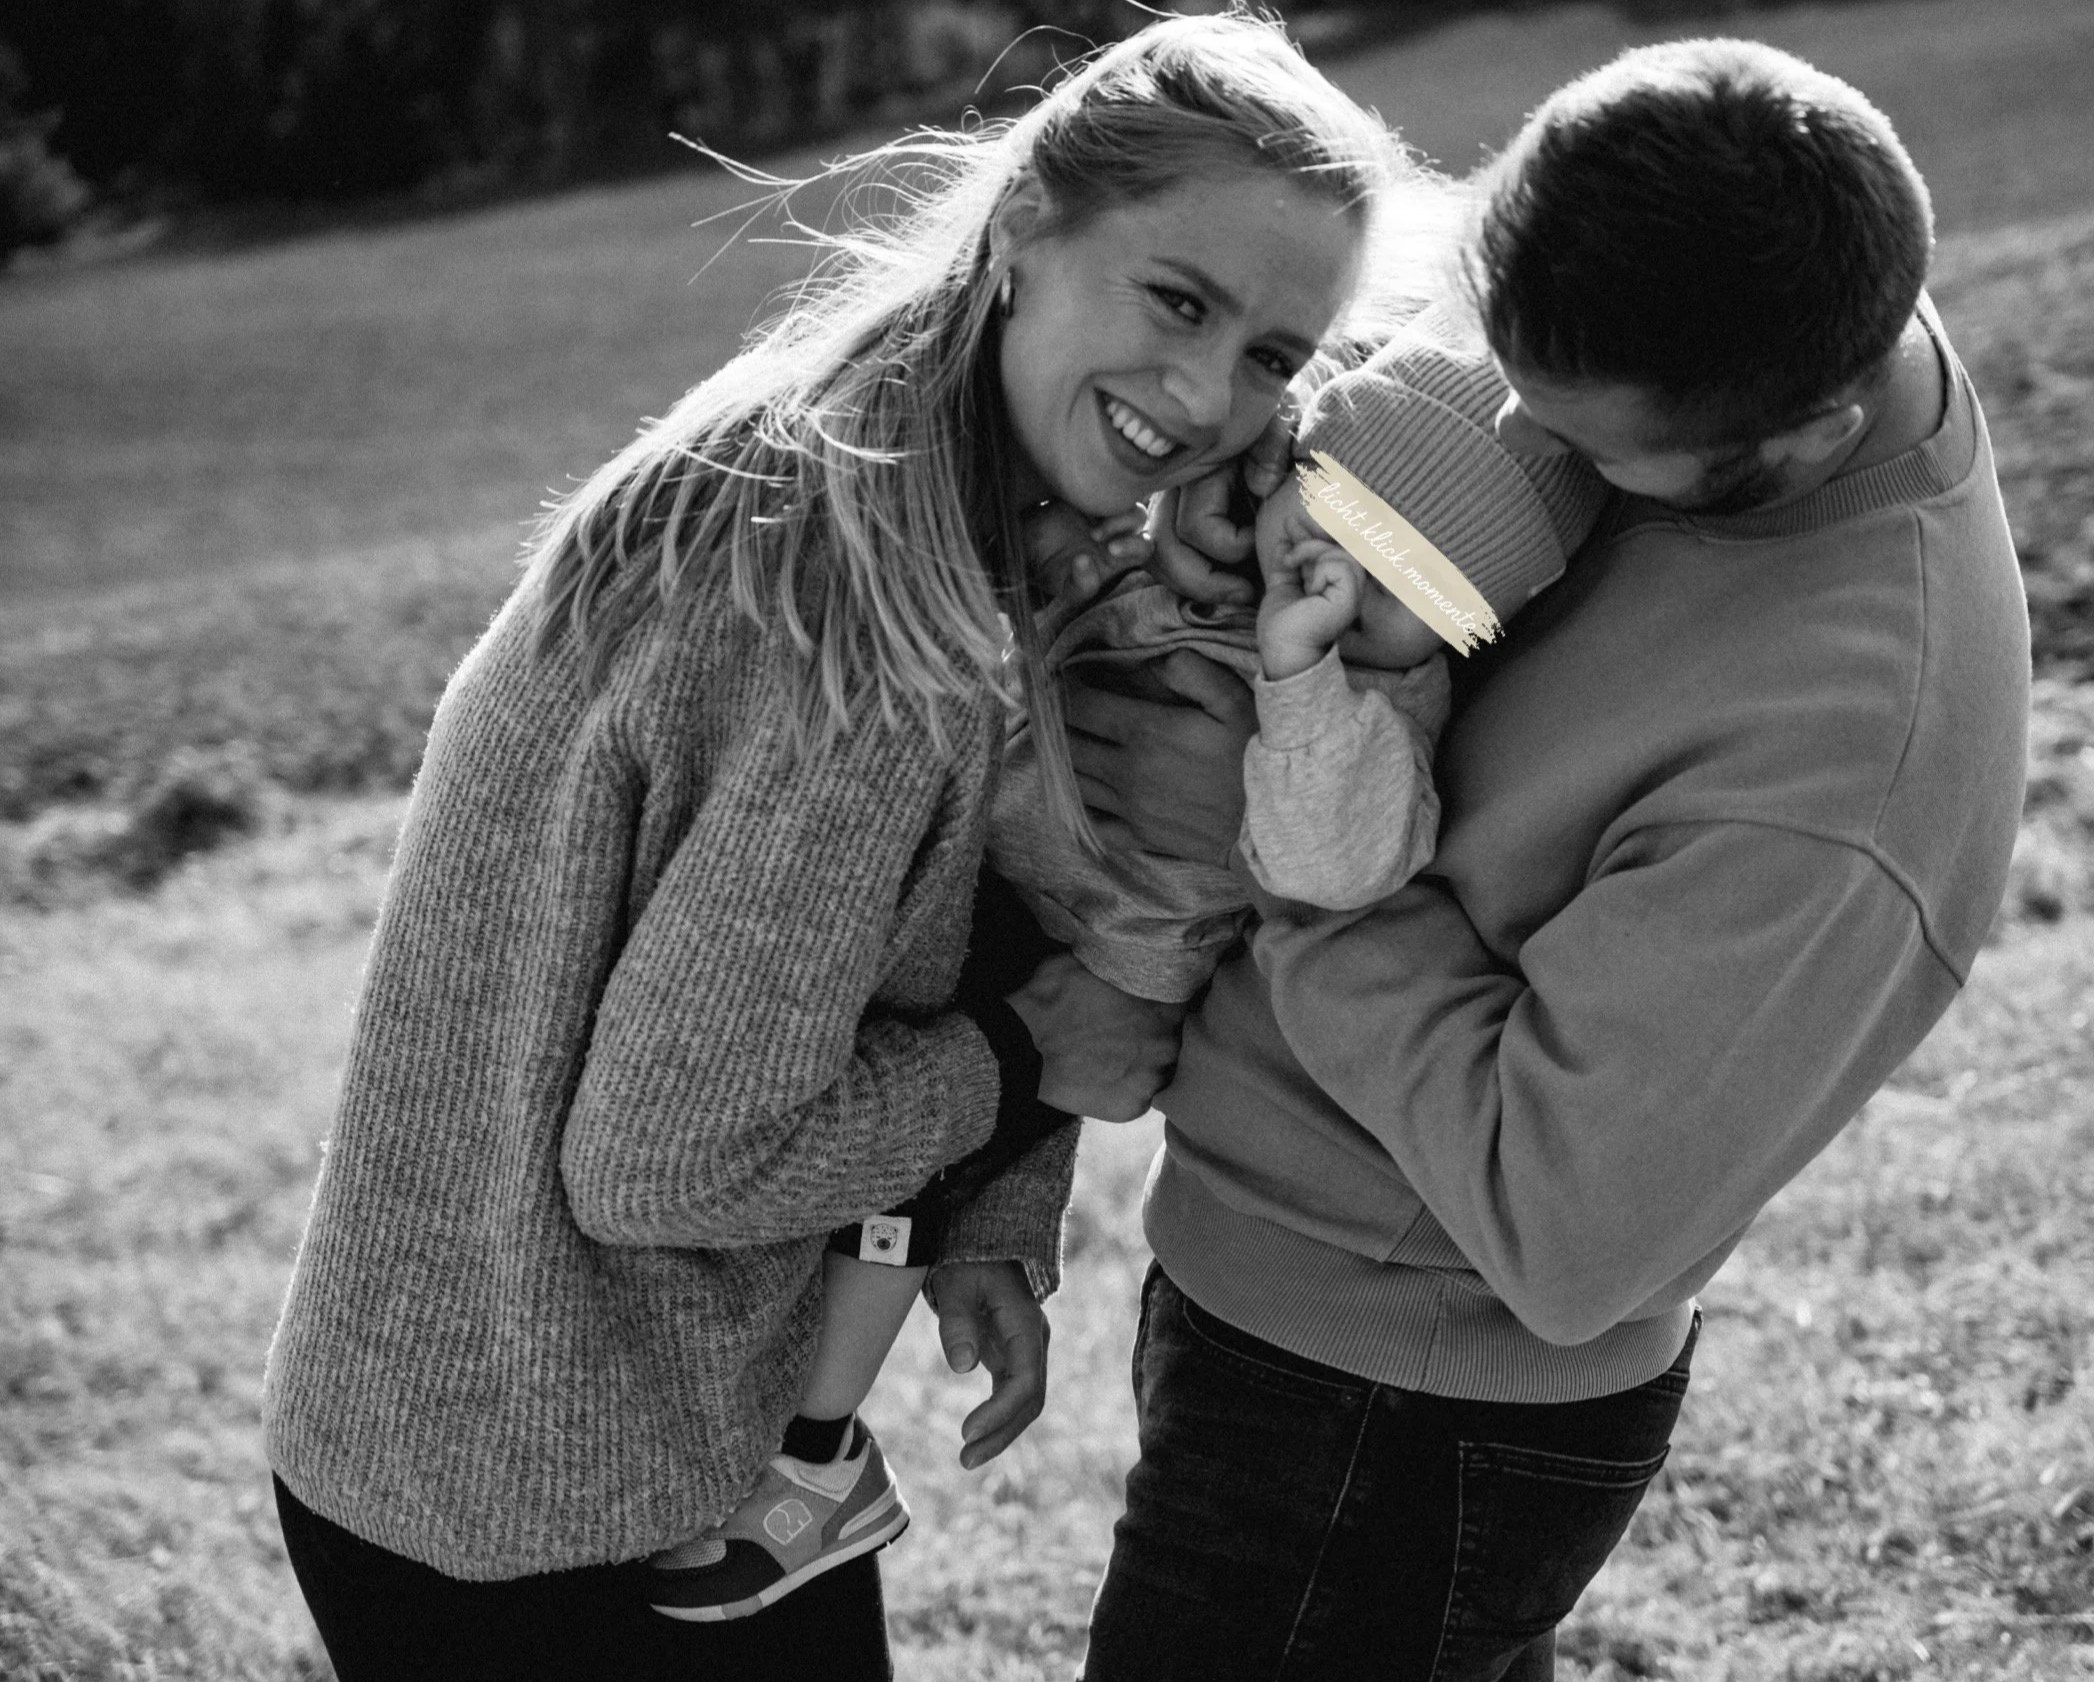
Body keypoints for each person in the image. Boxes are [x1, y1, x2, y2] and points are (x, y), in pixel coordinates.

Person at [258, 13, 1434, 1680]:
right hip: (540, 1509)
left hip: (535, 1429)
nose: (1208, 395)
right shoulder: (857, 616)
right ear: (1027, 225)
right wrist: (1028, 1073)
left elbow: (938, 920)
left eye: (1270, 354)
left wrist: (985, 1212)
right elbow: (671, 1157)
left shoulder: (893, 462)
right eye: (1178, 299)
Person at [1064, 39, 2031, 1681]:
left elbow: (1577, 1230)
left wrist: (1275, 826)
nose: (1515, 425)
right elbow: (1443, 399)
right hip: (1272, 1287)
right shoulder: (1687, 294)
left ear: (1792, 446)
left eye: (1574, 434)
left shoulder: (1847, 770)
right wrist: (1286, 488)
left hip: (1395, 1410)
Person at [990, 312, 1607, 1007]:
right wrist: (1054, 563)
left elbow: (1339, 871)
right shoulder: (1205, 543)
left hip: (1096, 959)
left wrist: (1298, 668)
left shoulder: (1385, 711)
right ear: (1289, 471)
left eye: (1410, 585)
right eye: (1336, 518)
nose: (1341, 580)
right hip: (971, 838)